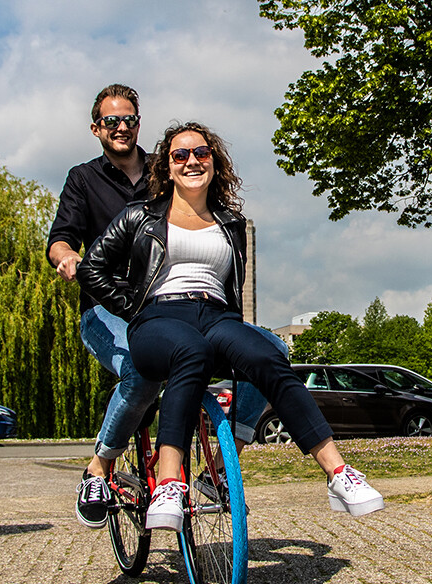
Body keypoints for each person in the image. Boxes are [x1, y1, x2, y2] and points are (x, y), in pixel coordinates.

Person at [78, 121, 383, 531]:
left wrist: (236, 333)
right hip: (159, 317)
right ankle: (169, 483)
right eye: (180, 155)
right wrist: (134, 307)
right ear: (167, 167)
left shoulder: (231, 223)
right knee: (190, 352)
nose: (191, 161)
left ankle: (338, 473)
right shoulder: (140, 216)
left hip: (215, 316)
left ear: (214, 162)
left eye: (201, 153)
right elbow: (92, 268)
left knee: (269, 355)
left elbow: (231, 288)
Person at [47, 85, 282, 529]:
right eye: (111, 121)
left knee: (271, 351)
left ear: (139, 123)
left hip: (179, 306)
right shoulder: (83, 178)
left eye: (129, 120)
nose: (121, 127)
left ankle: (218, 470)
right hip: (109, 307)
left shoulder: (168, 166)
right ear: (96, 128)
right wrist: (68, 257)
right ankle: (98, 469)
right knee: (141, 371)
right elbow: (62, 236)